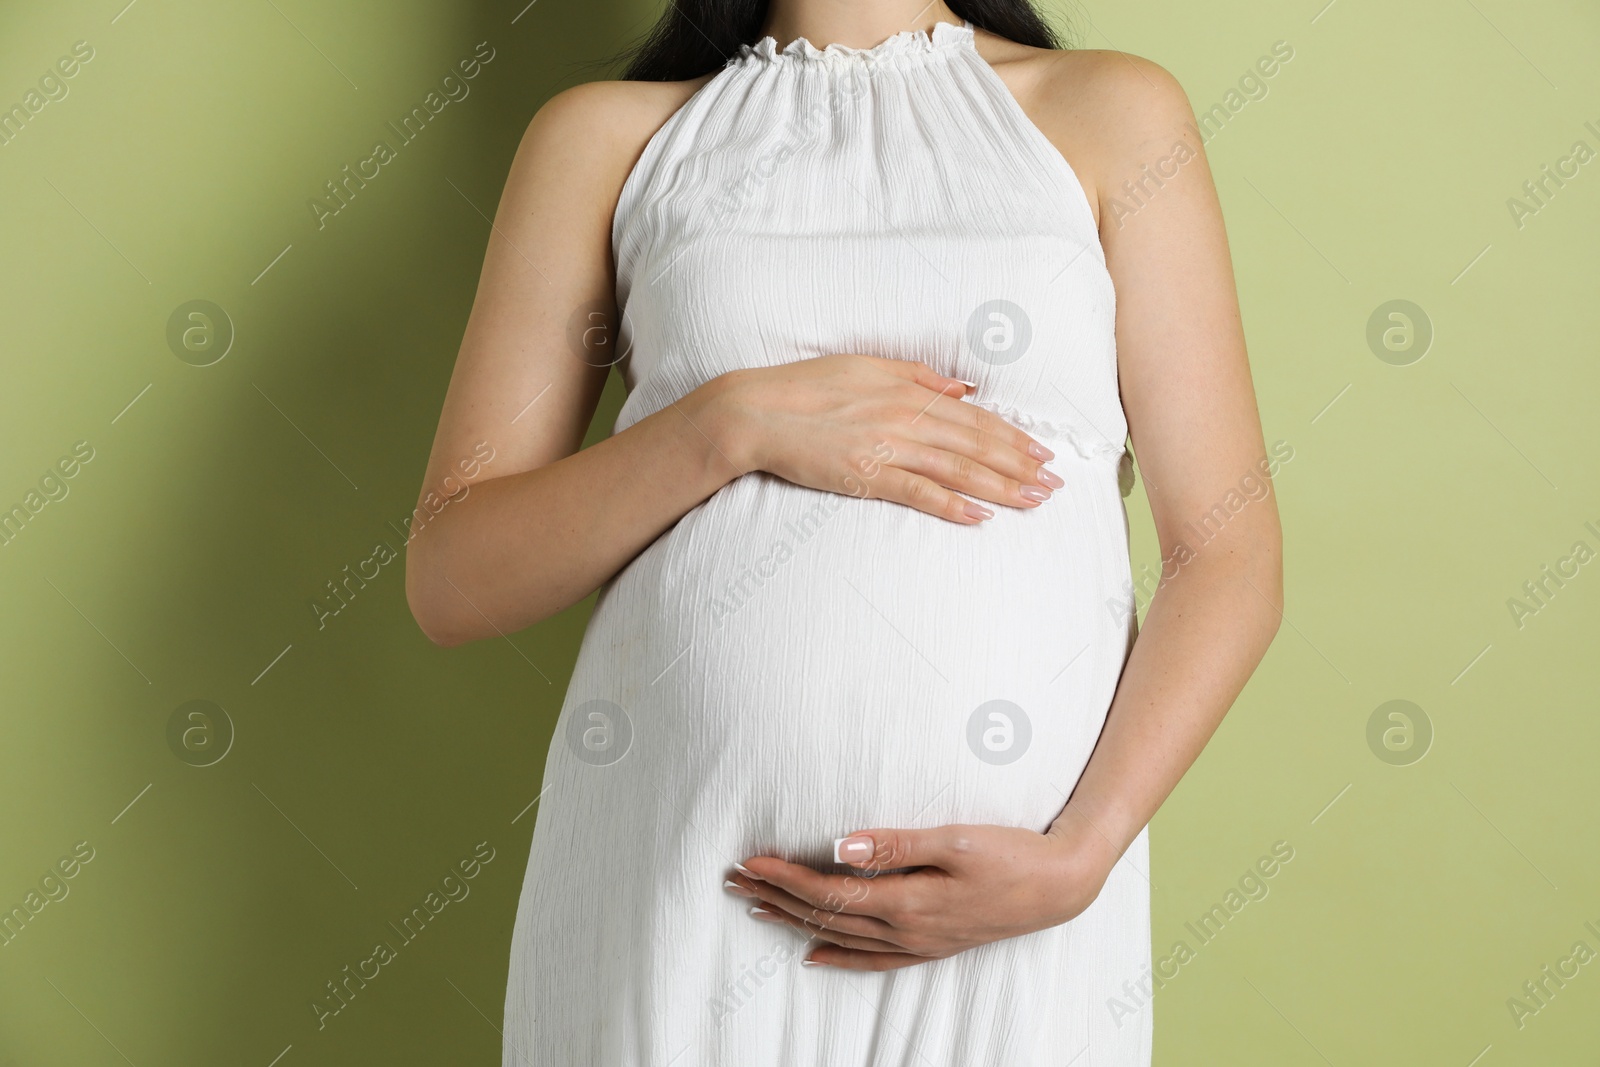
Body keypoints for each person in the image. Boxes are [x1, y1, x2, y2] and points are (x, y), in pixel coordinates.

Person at [405, 1, 1284, 1063]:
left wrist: (1079, 857)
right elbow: (453, 575)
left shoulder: (1109, 113)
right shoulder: (606, 139)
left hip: (1006, 903)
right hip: (681, 886)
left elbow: (1226, 552)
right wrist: (725, 424)